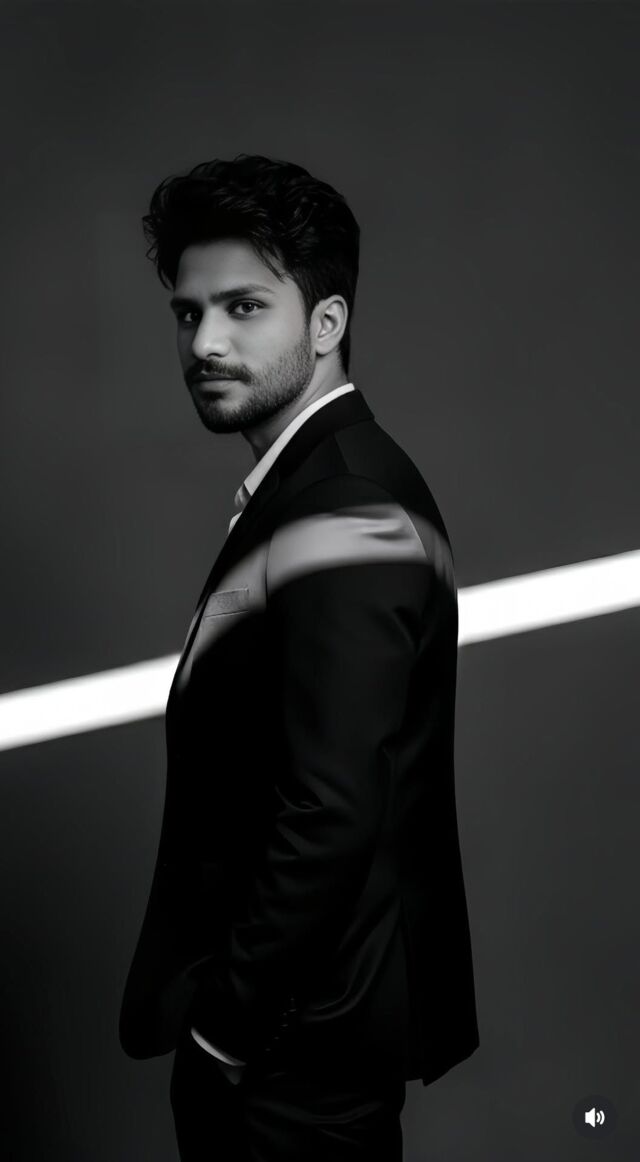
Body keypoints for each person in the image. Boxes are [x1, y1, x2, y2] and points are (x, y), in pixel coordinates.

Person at [119, 153, 479, 1161]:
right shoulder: (313, 488)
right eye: (188, 313)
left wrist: (225, 1033)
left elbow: (329, 806)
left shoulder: (347, 501)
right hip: (297, 1046)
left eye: (243, 307)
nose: (206, 341)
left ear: (325, 325)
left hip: (295, 1060)